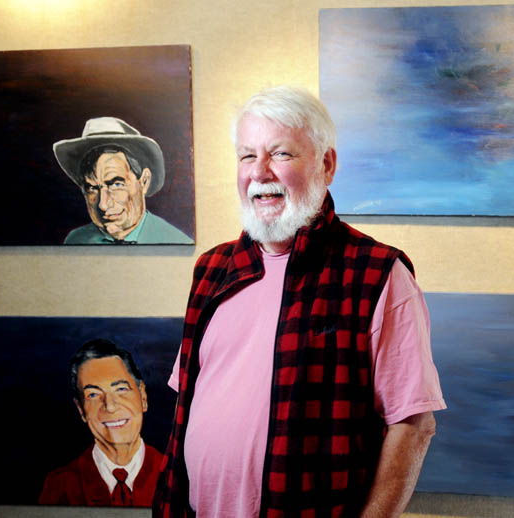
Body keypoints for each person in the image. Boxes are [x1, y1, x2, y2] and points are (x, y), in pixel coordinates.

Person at [153, 86, 445, 518]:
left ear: (326, 164)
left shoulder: (378, 274)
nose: (260, 172)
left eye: (281, 154)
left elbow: (413, 427)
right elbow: (186, 407)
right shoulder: (212, 269)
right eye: (247, 156)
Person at [39, 339, 163, 506]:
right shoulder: (61, 485)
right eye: (93, 395)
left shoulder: (175, 476)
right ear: (81, 410)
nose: (110, 406)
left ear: (142, 397)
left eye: (121, 389)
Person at [53, 116, 194, 244]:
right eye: (92, 188)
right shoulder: (77, 240)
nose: (102, 204)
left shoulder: (174, 241)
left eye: (116, 184)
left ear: (144, 182)